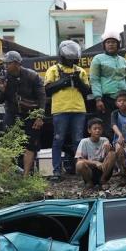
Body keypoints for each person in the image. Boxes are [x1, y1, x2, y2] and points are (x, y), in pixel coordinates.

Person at [44, 40, 91, 181]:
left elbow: (87, 91)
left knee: (78, 140)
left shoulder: (80, 71)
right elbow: (47, 90)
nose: (72, 62)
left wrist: (78, 81)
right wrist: (63, 82)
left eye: (73, 59)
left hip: (78, 110)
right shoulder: (52, 70)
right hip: (60, 110)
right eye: (69, 59)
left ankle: (80, 170)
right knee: (58, 140)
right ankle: (56, 172)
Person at [0, 50, 46, 176]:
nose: (5, 66)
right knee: (7, 144)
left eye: (8, 63)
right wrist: (2, 90)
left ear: (17, 63)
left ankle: (26, 177)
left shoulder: (32, 76)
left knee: (30, 146)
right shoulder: (4, 77)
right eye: (5, 63)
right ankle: (7, 176)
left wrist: (40, 117)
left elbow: (42, 97)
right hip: (11, 114)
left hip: (30, 114)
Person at [90, 30, 126, 139]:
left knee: (125, 127)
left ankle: (124, 154)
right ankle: (110, 153)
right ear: (104, 45)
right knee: (108, 128)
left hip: (123, 100)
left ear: (118, 45)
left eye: (113, 42)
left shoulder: (123, 61)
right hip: (107, 100)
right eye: (108, 42)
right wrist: (98, 99)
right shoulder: (98, 59)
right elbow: (94, 80)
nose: (111, 44)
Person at [75, 118, 116, 190]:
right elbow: (79, 159)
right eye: (95, 129)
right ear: (89, 130)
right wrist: (95, 163)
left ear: (102, 130)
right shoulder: (84, 141)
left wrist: (109, 148)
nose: (97, 131)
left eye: (99, 129)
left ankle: (103, 180)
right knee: (79, 164)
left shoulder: (105, 140)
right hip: (90, 171)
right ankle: (89, 182)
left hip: (103, 170)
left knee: (112, 154)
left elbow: (110, 156)